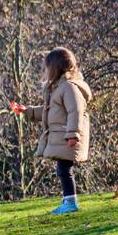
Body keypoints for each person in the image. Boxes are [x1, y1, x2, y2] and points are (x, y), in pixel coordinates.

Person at [18, 47, 92, 214]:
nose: (45, 71)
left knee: (64, 170)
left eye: (47, 67)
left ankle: (71, 202)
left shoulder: (69, 88)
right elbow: (48, 111)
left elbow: (76, 111)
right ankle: (68, 200)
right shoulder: (59, 88)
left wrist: (73, 134)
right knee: (63, 169)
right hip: (62, 137)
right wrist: (27, 111)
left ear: (56, 67)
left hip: (67, 137)